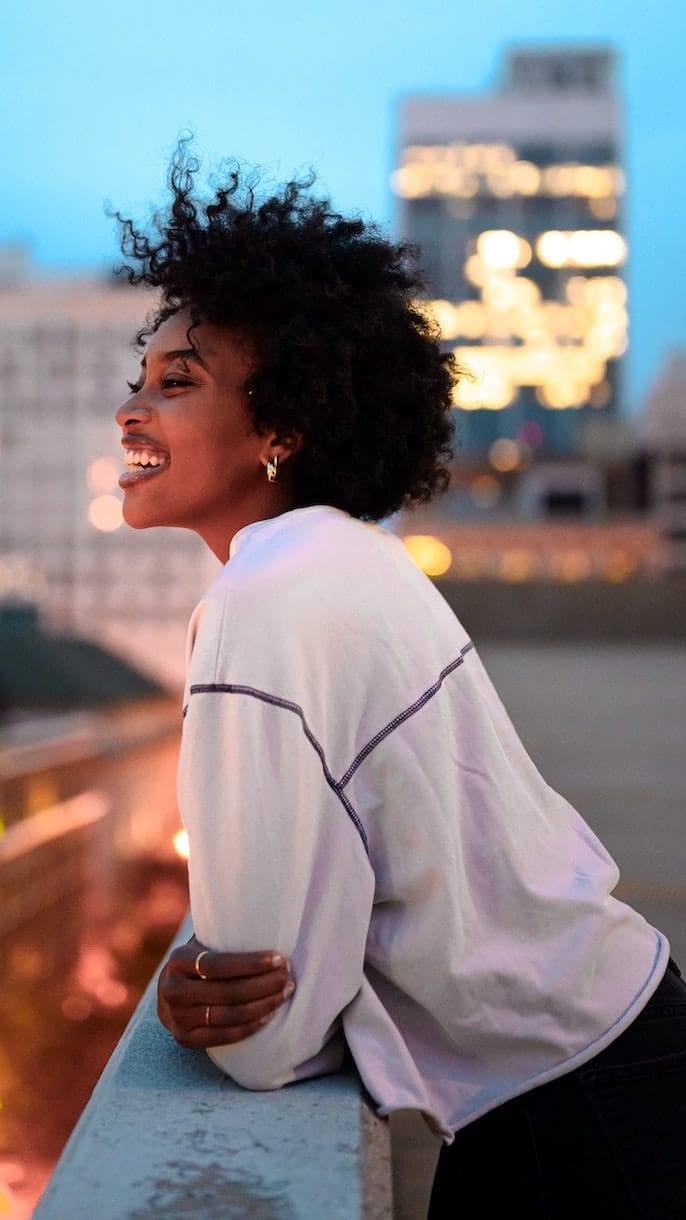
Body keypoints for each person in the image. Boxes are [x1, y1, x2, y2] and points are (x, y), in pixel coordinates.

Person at [115, 144, 686, 1219]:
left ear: (281, 427)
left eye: (177, 383)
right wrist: (217, 967)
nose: (131, 410)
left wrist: (210, 995)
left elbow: (266, 1043)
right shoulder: (349, 554)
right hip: (596, 1058)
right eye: (139, 380)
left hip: (573, 1117)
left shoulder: (263, 602)